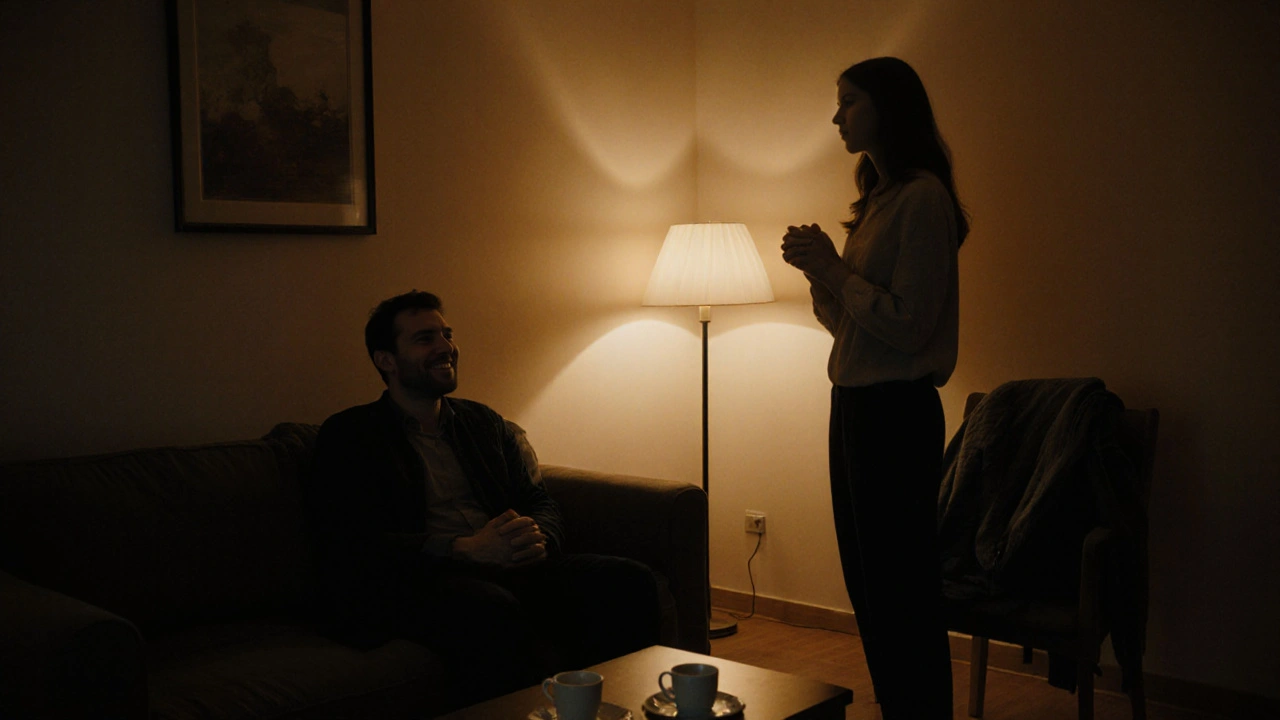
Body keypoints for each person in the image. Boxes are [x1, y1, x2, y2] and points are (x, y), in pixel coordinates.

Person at [307, 291, 661, 708]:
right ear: (386, 360)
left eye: (446, 334)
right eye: (425, 339)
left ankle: (616, 710)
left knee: (627, 579)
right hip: (421, 580)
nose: (445, 347)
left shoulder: (482, 422)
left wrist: (537, 537)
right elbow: (351, 541)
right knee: (490, 610)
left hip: (511, 565)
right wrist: (464, 549)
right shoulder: (350, 436)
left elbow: (536, 498)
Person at [780, 57, 967, 719]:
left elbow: (910, 326)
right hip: (856, 404)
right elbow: (852, 328)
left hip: (895, 411)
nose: (837, 116)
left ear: (889, 107)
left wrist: (834, 266)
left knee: (900, 588)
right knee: (870, 583)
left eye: (850, 101)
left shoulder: (922, 199)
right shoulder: (880, 201)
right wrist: (820, 274)